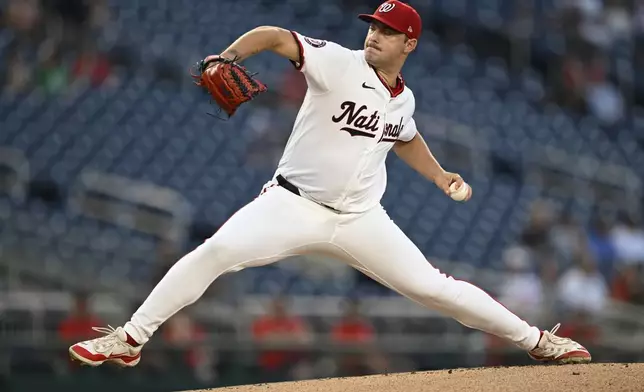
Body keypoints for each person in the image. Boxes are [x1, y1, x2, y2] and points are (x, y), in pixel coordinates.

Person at [68, 0, 590, 368]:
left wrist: (439, 175)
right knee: (218, 249)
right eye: (372, 26)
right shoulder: (339, 62)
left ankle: (538, 341)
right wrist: (230, 57)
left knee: (436, 288)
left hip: (363, 219)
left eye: (386, 31)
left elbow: (404, 136)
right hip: (292, 204)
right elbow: (276, 36)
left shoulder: (404, 99)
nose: (374, 35)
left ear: (409, 42)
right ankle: (131, 338)